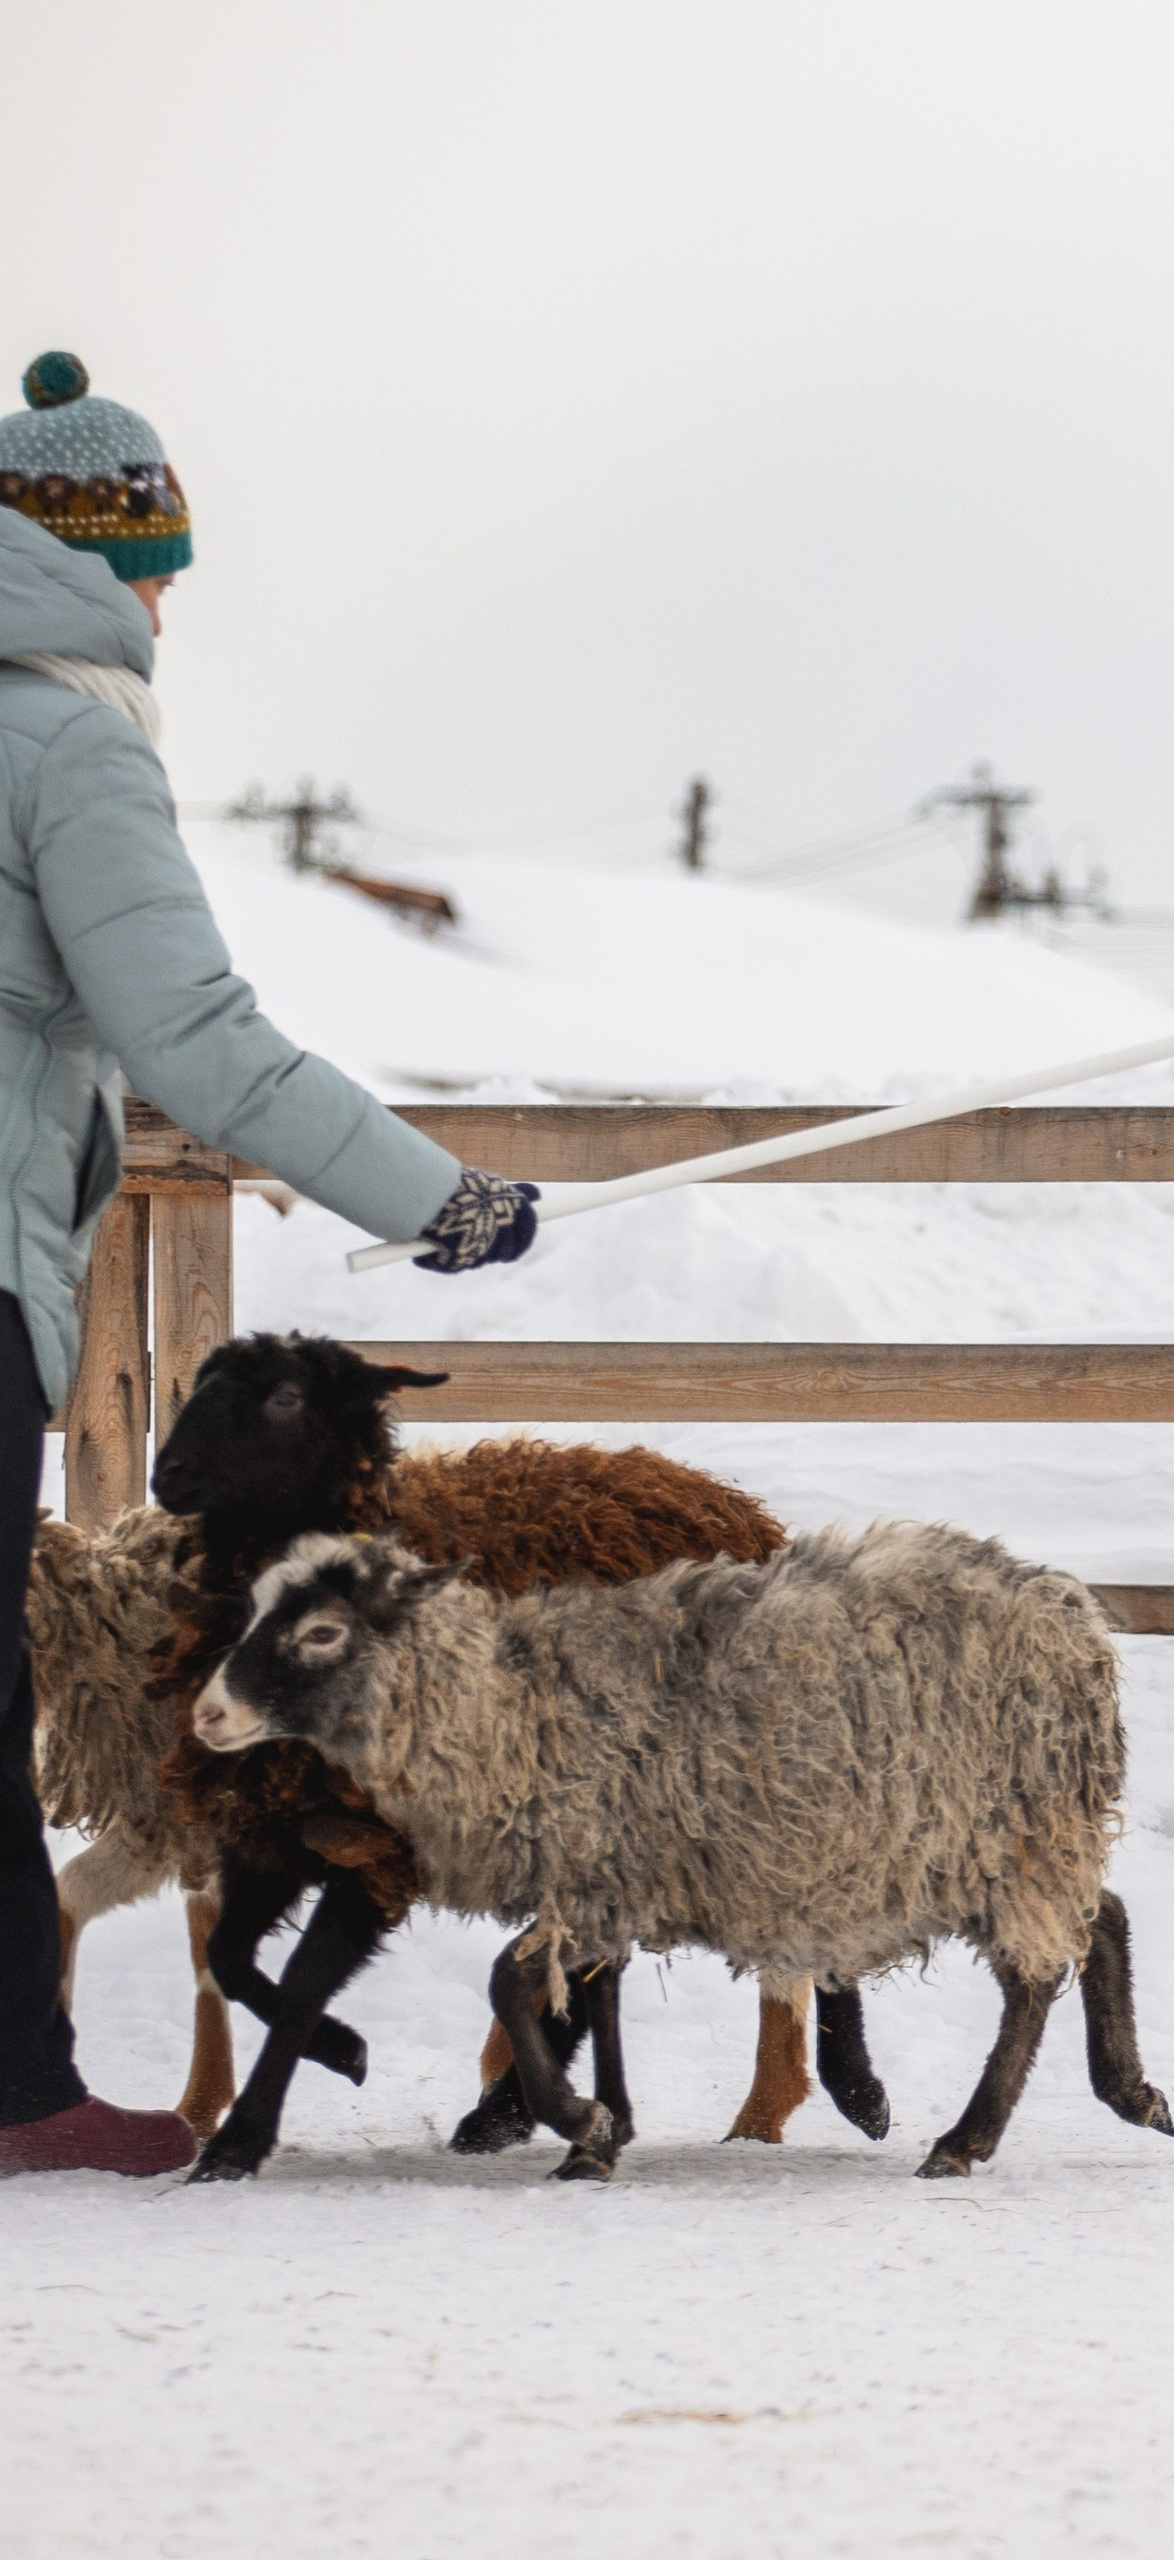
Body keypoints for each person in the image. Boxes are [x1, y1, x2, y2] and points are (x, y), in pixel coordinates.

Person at [0, 352, 537, 2176]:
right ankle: (14, 2097)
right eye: (156, 565)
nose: (165, 605)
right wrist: (430, 1196)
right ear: (87, 552)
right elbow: (195, 1036)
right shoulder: (66, 734)